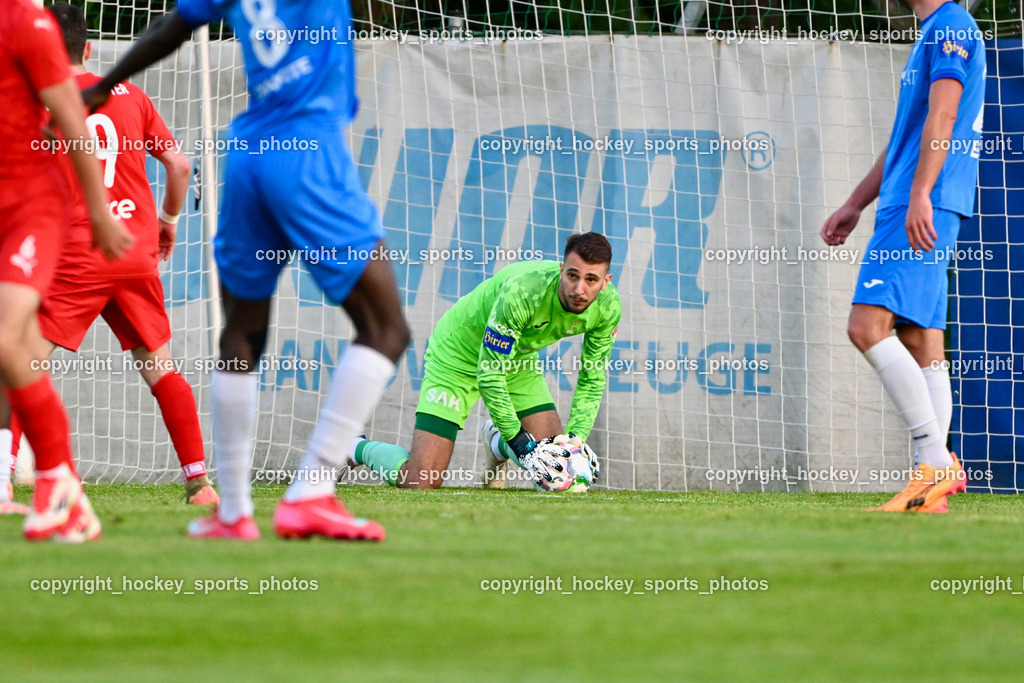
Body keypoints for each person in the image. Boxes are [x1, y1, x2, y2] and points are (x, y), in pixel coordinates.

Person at [82, 0, 412, 540]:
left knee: (240, 331)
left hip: (247, 155)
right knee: (386, 327)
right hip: (307, 151)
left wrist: (102, 86)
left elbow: (171, 27)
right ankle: (311, 490)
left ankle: (233, 511)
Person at [0, 3, 219, 506]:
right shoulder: (132, 95)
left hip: (76, 253)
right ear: (90, 48)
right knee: (160, 367)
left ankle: (6, 477)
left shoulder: (42, 99)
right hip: (134, 250)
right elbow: (179, 165)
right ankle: (200, 483)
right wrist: (168, 221)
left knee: (18, 359)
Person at [821, 0, 985, 512]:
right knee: (921, 338)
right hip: (918, 195)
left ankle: (935, 461)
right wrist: (855, 203)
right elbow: (908, 138)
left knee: (865, 326)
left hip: (923, 198)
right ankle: (930, 485)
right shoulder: (934, 29)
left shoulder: (952, 25)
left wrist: (920, 193)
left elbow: (945, 113)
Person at [0, 0, 133, 541]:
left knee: (5, 337)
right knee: (17, 350)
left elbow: (72, 119)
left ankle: (55, 483)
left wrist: (100, 212)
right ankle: (64, 488)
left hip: (31, 208)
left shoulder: (27, 22)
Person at [352, 232, 618, 489]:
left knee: (554, 468)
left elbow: (592, 379)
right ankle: (354, 447)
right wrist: (519, 441)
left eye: (591, 280)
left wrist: (573, 443)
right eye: (572, 275)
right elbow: (490, 375)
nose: (579, 289)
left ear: (605, 281)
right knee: (421, 480)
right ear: (561, 270)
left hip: (517, 361)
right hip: (458, 356)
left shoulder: (607, 307)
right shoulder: (523, 290)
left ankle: (498, 443)